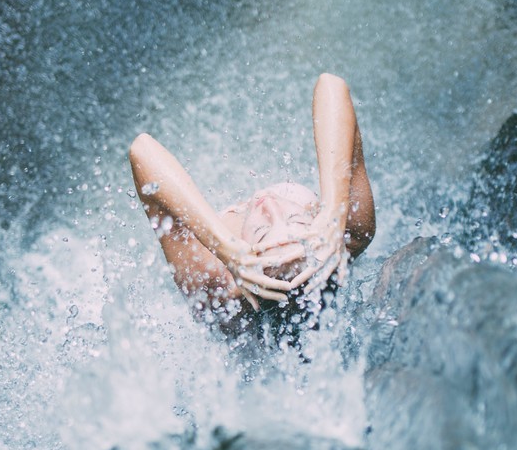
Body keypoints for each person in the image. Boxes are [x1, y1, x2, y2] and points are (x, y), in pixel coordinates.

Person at [130, 72, 375, 326]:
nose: (268, 202)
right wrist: (334, 211)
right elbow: (331, 85)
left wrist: (224, 247)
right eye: (296, 220)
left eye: (260, 231)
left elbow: (142, 149)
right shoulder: (348, 235)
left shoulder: (215, 283)